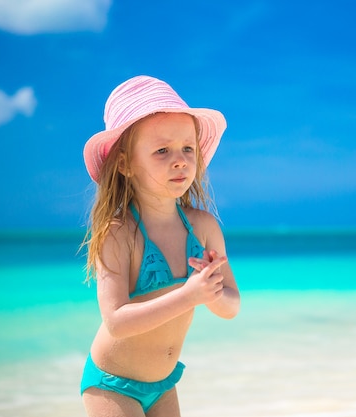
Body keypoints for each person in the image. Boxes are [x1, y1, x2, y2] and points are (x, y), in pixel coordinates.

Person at [80, 75, 240, 416]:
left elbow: (232, 304)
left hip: (163, 383)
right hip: (111, 383)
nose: (180, 160)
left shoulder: (204, 227)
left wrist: (211, 294)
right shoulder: (118, 233)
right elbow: (116, 322)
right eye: (162, 151)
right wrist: (189, 295)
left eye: (187, 148)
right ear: (124, 164)